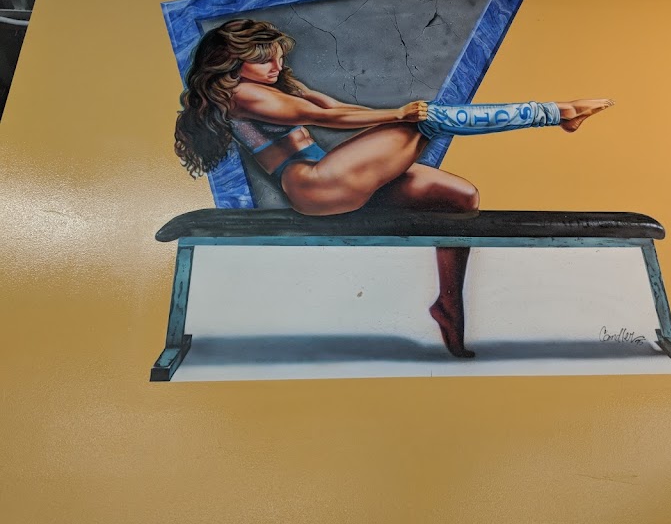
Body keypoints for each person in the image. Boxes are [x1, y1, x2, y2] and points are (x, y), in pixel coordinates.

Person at [175, 19, 613, 359]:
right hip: (316, 186)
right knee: (424, 119)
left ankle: (448, 306)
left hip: (336, 178)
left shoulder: (275, 86)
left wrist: (392, 116)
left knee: (459, 199)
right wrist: (398, 115)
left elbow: (339, 107)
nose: (276, 66)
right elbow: (329, 120)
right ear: (232, 62)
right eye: (264, 60)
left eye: (277, 57)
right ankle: (555, 113)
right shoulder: (242, 95)